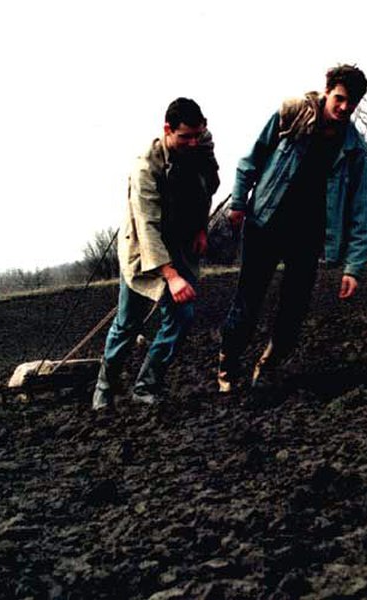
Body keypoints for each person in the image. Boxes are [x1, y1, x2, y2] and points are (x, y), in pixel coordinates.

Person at [218, 64, 367, 394]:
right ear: (327, 91)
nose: (344, 108)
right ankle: (228, 362)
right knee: (248, 302)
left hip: (309, 237)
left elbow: (360, 210)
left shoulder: (355, 150)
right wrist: (238, 203)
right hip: (265, 224)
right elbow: (251, 159)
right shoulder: (292, 115)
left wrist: (354, 267)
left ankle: (268, 365)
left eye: (352, 103)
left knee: (294, 309)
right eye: (340, 99)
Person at [92, 98, 220, 410]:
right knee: (128, 323)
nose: (193, 142)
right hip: (142, 250)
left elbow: (208, 189)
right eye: (185, 137)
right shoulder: (145, 168)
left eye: (197, 135)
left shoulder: (201, 147)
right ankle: (104, 387)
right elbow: (146, 225)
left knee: (182, 316)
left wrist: (201, 228)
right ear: (167, 130)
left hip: (180, 244)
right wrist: (171, 276)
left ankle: (146, 386)